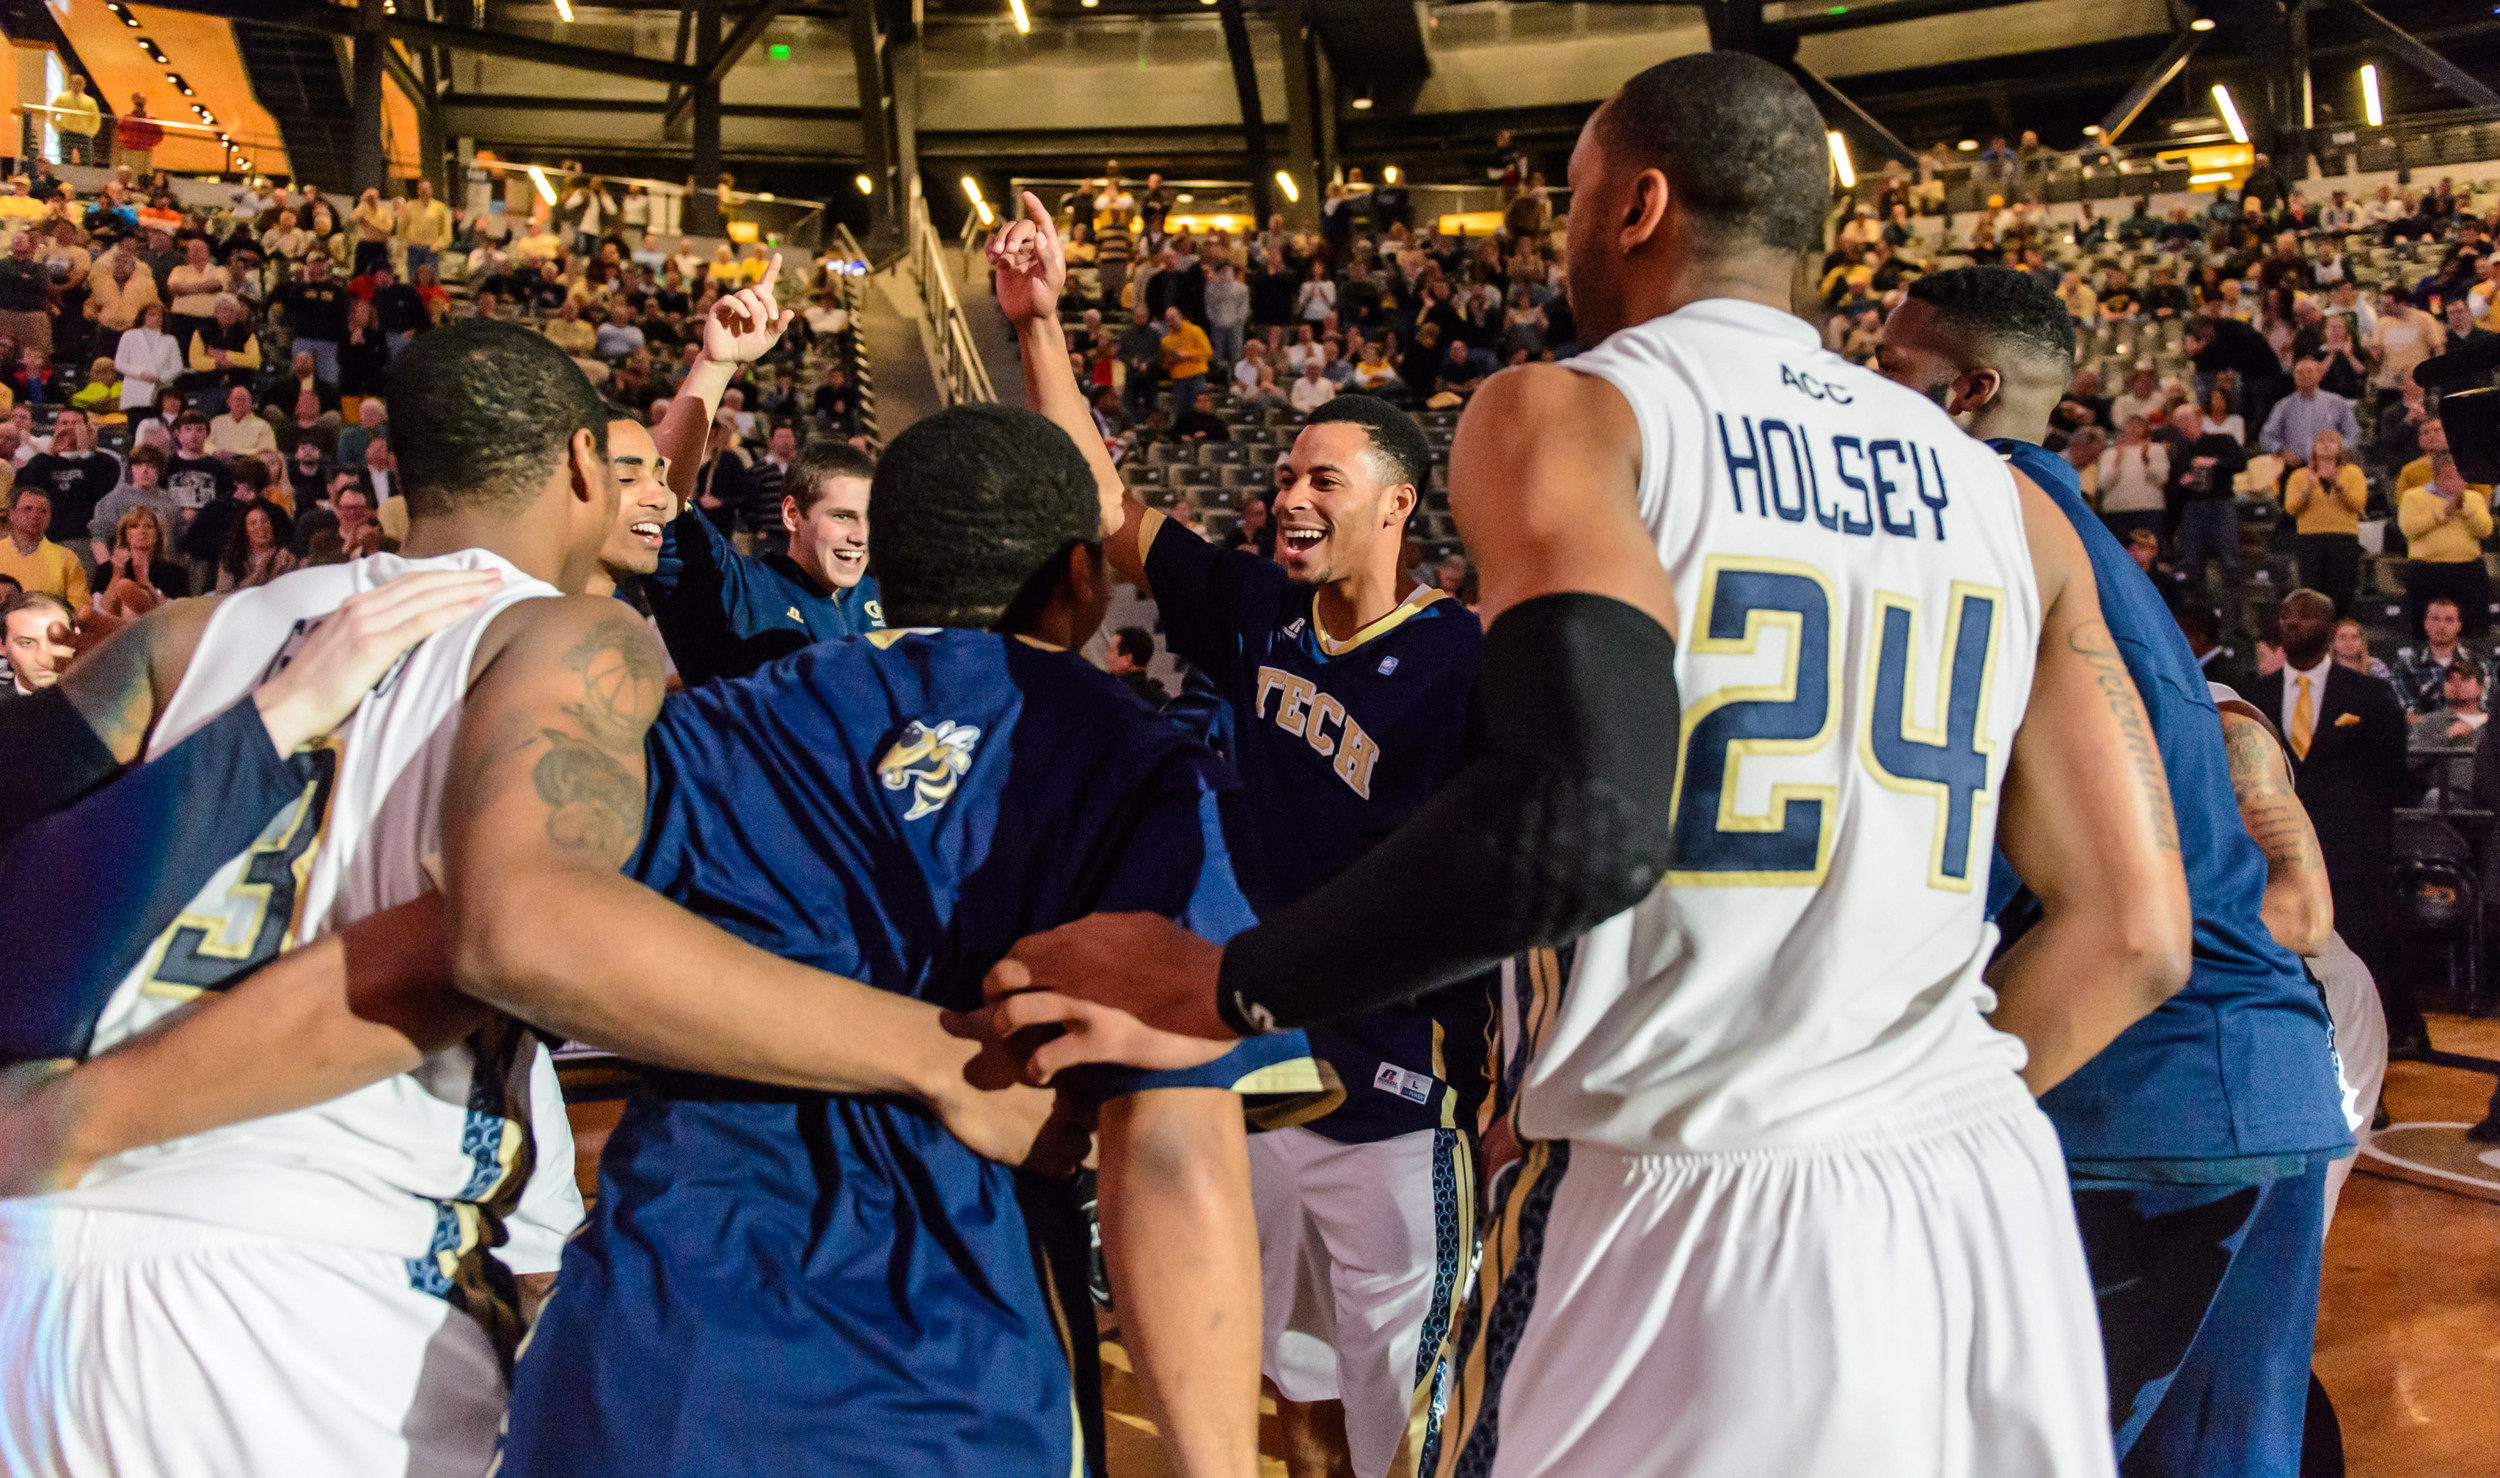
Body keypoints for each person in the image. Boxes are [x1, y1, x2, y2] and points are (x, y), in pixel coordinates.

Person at [986, 55, 2189, 1478]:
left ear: (1638, 203)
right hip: (1982, 1200)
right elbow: (2134, 934)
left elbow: (1588, 815)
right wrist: (1871, 1096)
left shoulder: (1569, 411)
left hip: (1682, 1195)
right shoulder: (2005, 499)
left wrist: (1218, 983)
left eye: (1567, 200)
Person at [434, 397, 1320, 1478]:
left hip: (648, 1366)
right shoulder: (1143, 769)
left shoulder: (708, 729)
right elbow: (1173, 1151)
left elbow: (526, 932)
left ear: (881, 564)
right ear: (1084, 579)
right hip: (950, 1387)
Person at [0, 323, 591, 1475]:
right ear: (580, 464)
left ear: (396, 468)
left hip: (44, 1265)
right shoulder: (578, 650)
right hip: (325, 1300)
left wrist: (249, 728)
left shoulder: (182, 636)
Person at [994, 198, 1489, 1478]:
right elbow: (1103, 504)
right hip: (1260, 1075)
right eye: (1282, 477)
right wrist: (1040, 323)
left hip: (1396, 1095)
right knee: (1293, 1391)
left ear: (1397, 505)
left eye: (1323, 479)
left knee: (1413, 1420)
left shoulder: (1466, 660)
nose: (1289, 497)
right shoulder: (1263, 609)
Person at [1875, 265, 2349, 1477]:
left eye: (1885, 365)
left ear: (1967, 389)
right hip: (2269, 1089)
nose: (1860, 392)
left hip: (2142, 1096)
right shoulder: (2091, 547)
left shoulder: (1973, 528)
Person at [643, 269, 885, 686]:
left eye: (868, 518)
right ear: (792, 513)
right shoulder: (740, 588)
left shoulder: (889, 600)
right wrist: (715, 365)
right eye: (843, 516)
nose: (860, 535)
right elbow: (657, 496)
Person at [2252, 589, 2421, 1054]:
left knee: (2364, 962)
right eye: (2286, 616)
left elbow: (2391, 777)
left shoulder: (2369, 694)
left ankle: (2372, 1069)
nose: (2292, 624)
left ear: (2329, 631)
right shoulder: (2254, 695)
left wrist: (2371, 845)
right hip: (2278, 857)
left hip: (2354, 857)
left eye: (2305, 617)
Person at [2398, 452, 2493, 640]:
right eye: (2450, 475)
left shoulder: (2473, 498)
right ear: (2437, 474)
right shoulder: (2412, 497)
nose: (2456, 480)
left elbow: (2485, 530)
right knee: (2423, 631)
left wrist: (2464, 509)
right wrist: (2443, 514)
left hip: (2468, 571)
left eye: (2460, 475)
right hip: (2427, 571)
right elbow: (2408, 528)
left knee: (2473, 631)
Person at [2280, 429, 2368, 619]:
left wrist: (2338, 485)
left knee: (2342, 590)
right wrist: (2308, 490)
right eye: (2320, 440)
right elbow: (2290, 509)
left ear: (2340, 448)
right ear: (2313, 448)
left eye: (2332, 441)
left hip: (2343, 538)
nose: (2326, 444)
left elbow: (2358, 504)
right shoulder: (2299, 475)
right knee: (2313, 592)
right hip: (2310, 539)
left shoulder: (2352, 472)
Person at [2162, 402, 2248, 594]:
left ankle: (2233, 607)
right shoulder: (2180, 453)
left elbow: (2240, 463)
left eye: (2186, 418)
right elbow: (2171, 489)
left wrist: (2214, 462)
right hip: (2193, 507)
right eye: (2178, 421)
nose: (2183, 424)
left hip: (2221, 503)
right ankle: (2197, 608)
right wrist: (2182, 483)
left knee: (2228, 557)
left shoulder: (2222, 440)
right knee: (2192, 559)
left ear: (2199, 418)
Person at [18, 408, 119, 544]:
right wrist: (52, 451)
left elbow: (98, 491)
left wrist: (84, 449)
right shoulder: (42, 462)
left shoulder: (104, 462)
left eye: (76, 423)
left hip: (86, 539)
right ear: (55, 427)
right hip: (46, 539)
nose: (70, 428)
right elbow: (28, 489)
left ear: (86, 428)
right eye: (64, 423)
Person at [2392, 597, 2492, 714]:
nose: (2441, 626)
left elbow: (2487, 709)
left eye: (2449, 620)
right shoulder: (2407, 664)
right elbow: (2409, 712)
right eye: (2435, 619)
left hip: (2472, 728)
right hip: (2425, 730)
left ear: (2459, 626)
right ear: (2426, 624)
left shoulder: (2477, 662)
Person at [2256, 357, 2361, 460]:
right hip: (2295, 467)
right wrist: (2281, 451)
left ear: (2320, 375)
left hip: (2330, 465)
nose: (2305, 375)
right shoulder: (2283, 406)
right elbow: (2266, 436)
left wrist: (2336, 449)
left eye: (2310, 371)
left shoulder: (2336, 402)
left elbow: (2353, 434)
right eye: (2299, 372)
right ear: (2294, 377)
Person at [0, 488, 87, 607]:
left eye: (43, 511)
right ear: (12, 514)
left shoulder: (67, 558)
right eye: (28, 509)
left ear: (49, 518)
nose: (35, 515)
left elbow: (79, 608)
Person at [94, 504, 181, 618]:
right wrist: (116, 576)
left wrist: (147, 586)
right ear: (126, 534)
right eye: (134, 526)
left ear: (157, 535)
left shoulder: (175, 573)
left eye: (148, 526)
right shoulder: (107, 569)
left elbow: (178, 615)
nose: (142, 531)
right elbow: (101, 612)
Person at [2095, 416, 2169, 544]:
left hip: (2148, 509)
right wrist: (2117, 461)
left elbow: (2161, 478)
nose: (2133, 428)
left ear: (2145, 429)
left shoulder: (2155, 449)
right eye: (2130, 425)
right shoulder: (2110, 453)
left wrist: (2146, 460)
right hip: (2117, 510)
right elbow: (2103, 483)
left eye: (2138, 425)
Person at [0, 588, 72, 692]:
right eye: (27, 643)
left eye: (56, 641)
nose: (44, 659)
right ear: (3, 646)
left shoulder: (100, 702)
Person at [215, 501, 298, 591]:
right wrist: (259, 570)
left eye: (265, 521)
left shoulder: (286, 558)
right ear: (245, 530)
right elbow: (222, 594)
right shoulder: (231, 557)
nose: (260, 527)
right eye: (253, 523)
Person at [208, 383, 277, 461]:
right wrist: (215, 452)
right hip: (219, 463)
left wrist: (238, 454)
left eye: (244, 399)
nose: (240, 403)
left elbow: (267, 450)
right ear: (228, 402)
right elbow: (205, 443)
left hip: (250, 465)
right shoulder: (216, 422)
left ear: (250, 403)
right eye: (237, 399)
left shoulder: (262, 425)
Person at [1107, 624, 1170, 708]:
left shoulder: (1110, 693)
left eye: (1111, 651)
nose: (1106, 658)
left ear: (1127, 659)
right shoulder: (1163, 700)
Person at [46, 73, 100, 166]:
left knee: (87, 161)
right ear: (70, 84)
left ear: (83, 85)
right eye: (74, 83)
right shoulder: (62, 98)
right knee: (65, 159)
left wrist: (91, 132)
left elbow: (96, 118)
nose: (77, 86)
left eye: (79, 83)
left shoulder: (90, 101)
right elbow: (52, 112)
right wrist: (57, 128)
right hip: (66, 132)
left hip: (83, 134)